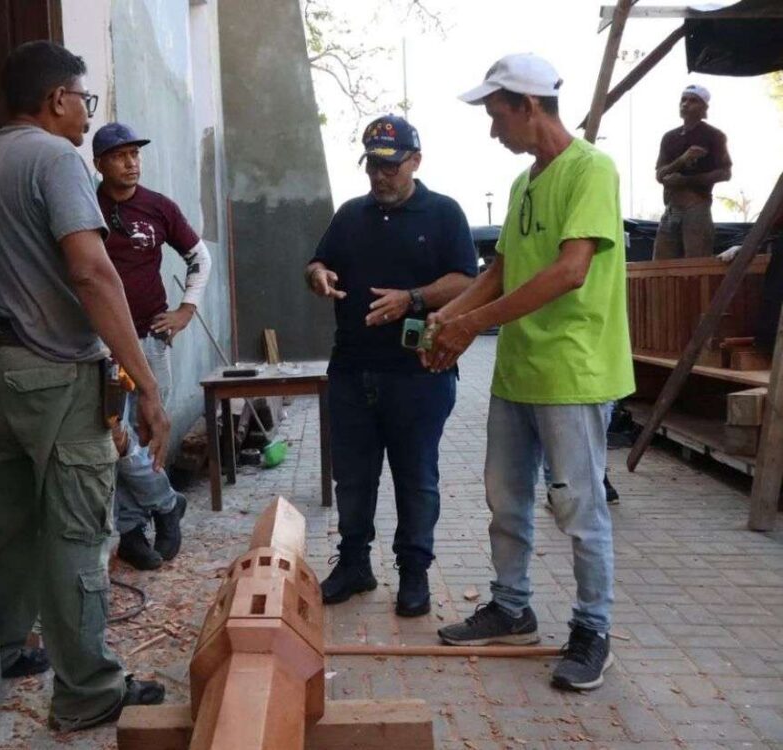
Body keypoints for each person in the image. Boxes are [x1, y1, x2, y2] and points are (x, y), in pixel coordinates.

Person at [0, 40, 169, 731]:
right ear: (57, 99)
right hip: (55, 371)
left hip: (0, 366)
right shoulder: (54, 161)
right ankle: (88, 692)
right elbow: (91, 271)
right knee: (79, 529)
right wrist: (142, 375)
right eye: (85, 101)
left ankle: (8, 649)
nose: (87, 115)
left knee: (12, 525)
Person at [428, 53, 634, 692]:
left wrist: (471, 322)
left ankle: (592, 628)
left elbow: (570, 269)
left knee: (579, 506)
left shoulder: (590, 170)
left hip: (573, 371)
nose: (494, 131)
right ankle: (511, 608)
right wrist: (449, 322)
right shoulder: (524, 185)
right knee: (505, 499)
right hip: (518, 371)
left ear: (530, 105)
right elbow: (501, 271)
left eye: (497, 116)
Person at [306, 114, 477, 618]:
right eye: (373, 167)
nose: (380, 177)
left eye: (391, 167)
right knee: (353, 478)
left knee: (415, 476)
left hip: (419, 374)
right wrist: (318, 275)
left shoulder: (444, 214)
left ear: (415, 162)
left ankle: (414, 572)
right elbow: (317, 262)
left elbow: (469, 280)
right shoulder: (349, 215)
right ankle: (355, 563)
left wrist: (413, 298)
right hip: (352, 370)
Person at [91, 122, 211, 571]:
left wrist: (186, 311)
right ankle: (162, 505)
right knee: (111, 437)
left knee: (147, 433)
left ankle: (134, 527)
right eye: (120, 155)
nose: (131, 162)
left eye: (135, 154)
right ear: (99, 163)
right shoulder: (86, 206)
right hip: (100, 347)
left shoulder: (158, 208)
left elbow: (200, 257)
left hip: (149, 340)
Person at [653, 84, 732, 259]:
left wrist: (685, 181)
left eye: (693, 100)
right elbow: (660, 175)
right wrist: (682, 160)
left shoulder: (714, 135)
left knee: (696, 265)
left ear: (704, 107)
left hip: (696, 207)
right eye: (683, 99)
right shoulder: (669, 137)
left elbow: (725, 173)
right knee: (661, 267)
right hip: (671, 209)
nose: (686, 104)